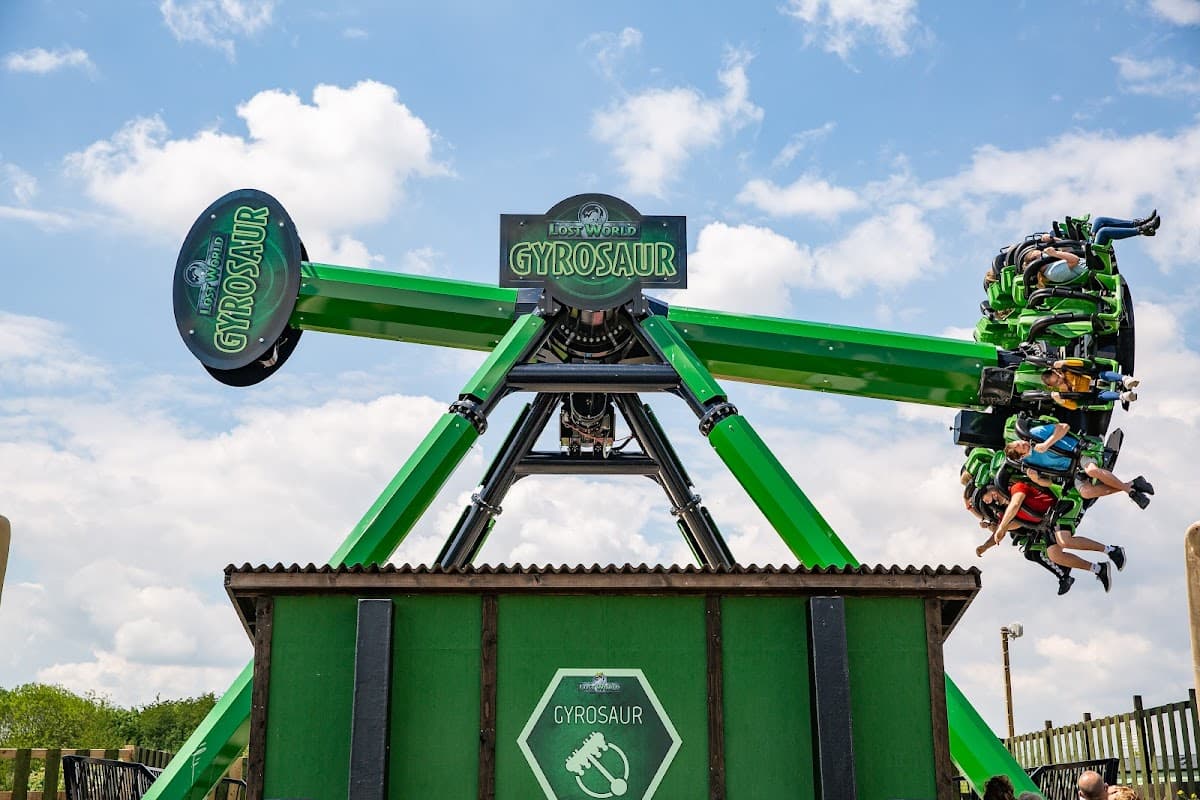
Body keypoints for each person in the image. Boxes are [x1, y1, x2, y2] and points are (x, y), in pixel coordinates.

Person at [976, 475, 1123, 592]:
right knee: (1054, 555)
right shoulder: (1005, 516)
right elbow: (1000, 531)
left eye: (990, 494)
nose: (993, 499)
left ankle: (1112, 550)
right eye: (988, 501)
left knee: (1064, 540)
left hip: (1058, 508)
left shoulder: (1016, 487)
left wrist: (1001, 527)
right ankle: (1099, 569)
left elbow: (1015, 504)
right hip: (1048, 523)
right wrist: (985, 546)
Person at [1002, 422, 1152, 507]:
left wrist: (1047, 444)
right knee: (1086, 492)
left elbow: (1064, 427)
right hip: (1073, 471)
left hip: (1081, 453)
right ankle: (1133, 484)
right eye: (1020, 447)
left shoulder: (1035, 434)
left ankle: (1130, 491)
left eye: (1019, 442)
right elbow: (1048, 484)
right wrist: (1037, 480)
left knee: (1092, 470)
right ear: (1021, 456)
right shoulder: (1029, 464)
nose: (1022, 443)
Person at [1038, 358, 1138, 409]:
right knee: (1100, 396)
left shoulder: (1067, 370)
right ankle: (1123, 396)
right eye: (1056, 382)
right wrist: (1061, 399)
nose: (1060, 380)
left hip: (1093, 376)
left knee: (1102, 374)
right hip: (1092, 392)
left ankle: (1125, 379)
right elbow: (1073, 407)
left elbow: (1081, 363)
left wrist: (1064, 363)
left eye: (1058, 377)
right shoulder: (1063, 393)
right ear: (1052, 386)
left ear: (1056, 372)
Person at [1090, 210, 1160, 246]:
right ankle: (1143, 229)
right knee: (1103, 232)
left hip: (1088, 242)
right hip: (1089, 252)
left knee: (1099, 220)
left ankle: (1140, 222)